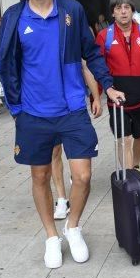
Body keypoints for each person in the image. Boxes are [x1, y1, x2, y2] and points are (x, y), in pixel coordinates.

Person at [0, 0, 124, 269]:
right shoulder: (15, 16)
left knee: (82, 176)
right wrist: (16, 108)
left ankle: (73, 227)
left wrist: (106, 85)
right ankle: (52, 237)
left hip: (71, 109)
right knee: (40, 176)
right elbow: (6, 64)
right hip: (33, 112)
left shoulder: (71, 11)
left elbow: (91, 52)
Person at [96, 0, 140, 171]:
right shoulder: (104, 36)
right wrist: (96, 96)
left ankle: (135, 166)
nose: (123, 11)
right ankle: (129, 176)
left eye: (127, 7)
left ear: (132, 11)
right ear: (112, 12)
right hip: (117, 98)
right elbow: (98, 67)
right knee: (123, 138)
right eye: (119, 8)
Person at [53, 67, 103, 220]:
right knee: (54, 152)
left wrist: (95, 97)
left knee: (83, 175)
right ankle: (62, 199)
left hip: (74, 107)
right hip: (48, 107)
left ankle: (72, 225)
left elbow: (86, 66)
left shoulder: (74, 42)